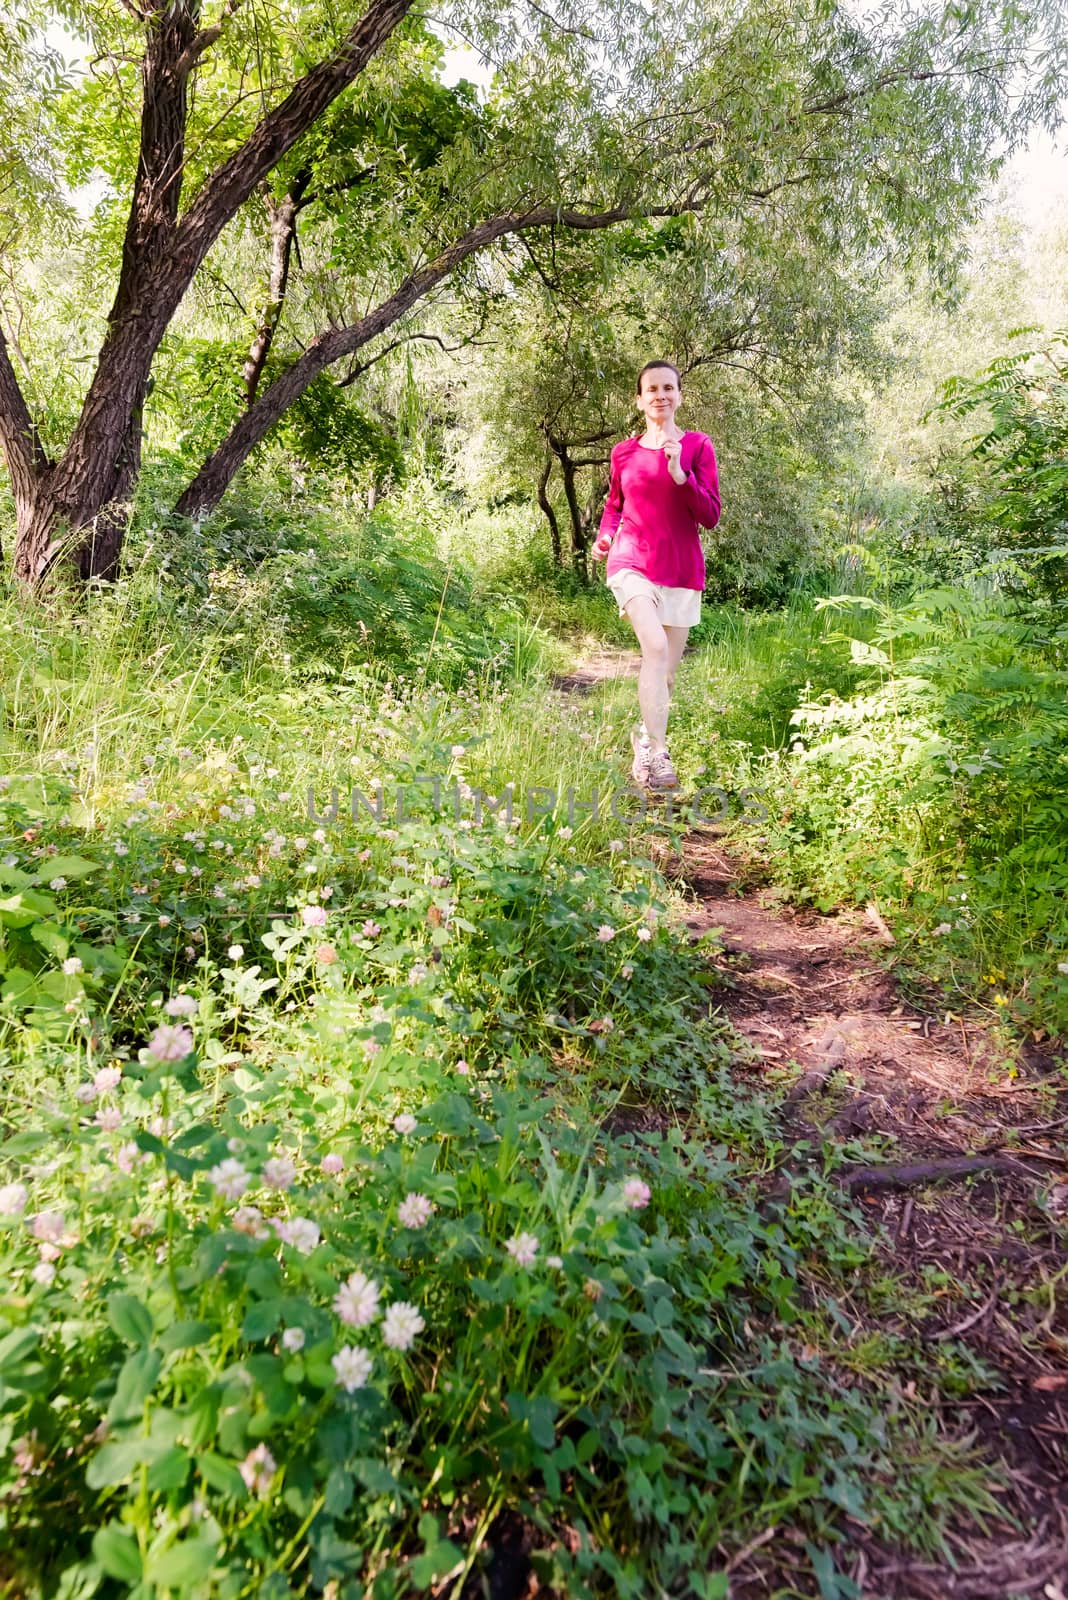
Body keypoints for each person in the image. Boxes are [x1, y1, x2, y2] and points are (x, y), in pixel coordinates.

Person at [592, 360, 721, 789]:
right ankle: (661, 757)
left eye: (668, 387)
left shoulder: (699, 446)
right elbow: (614, 506)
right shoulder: (623, 452)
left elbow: (711, 516)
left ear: (679, 396)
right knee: (654, 645)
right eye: (652, 389)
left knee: (664, 671)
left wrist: (681, 476)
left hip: (682, 570)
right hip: (632, 563)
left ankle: (645, 741)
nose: (660, 395)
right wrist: (606, 537)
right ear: (640, 399)